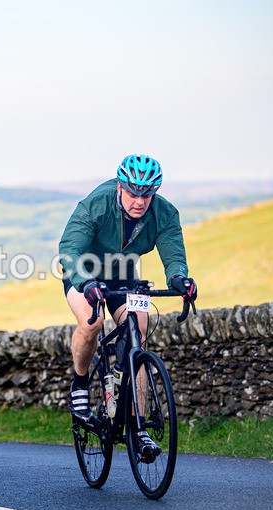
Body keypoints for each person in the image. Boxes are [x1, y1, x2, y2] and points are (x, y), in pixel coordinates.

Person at [59, 154, 197, 461]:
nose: (139, 201)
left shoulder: (164, 213)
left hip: (123, 273)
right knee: (92, 322)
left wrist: (179, 279)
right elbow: (69, 250)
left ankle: (138, 427)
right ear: (120, 187)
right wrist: (86, 282)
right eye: (133, 193)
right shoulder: (96, 204)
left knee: (139, 333)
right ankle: (80, 384)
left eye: (147, 194)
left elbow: (174, 255)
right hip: (84, 271)